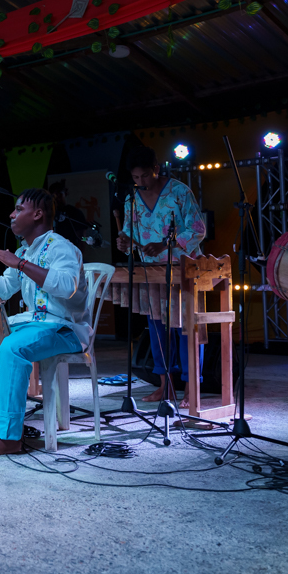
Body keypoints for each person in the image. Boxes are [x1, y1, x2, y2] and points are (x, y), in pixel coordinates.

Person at [0, 189, 90, 454]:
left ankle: (9, 438)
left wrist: (19, 263)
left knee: (12, 347)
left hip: (65, 328)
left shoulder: (61, 247)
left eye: (19, 209)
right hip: (35, 324)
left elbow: (67, 287)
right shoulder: (26, 251)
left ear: (38, 214)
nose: (11, 214)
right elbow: (2, 289)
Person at [115, 146, 206, 407]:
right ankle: (166, 387)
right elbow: (130, 235)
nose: (140, 182)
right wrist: (125, 243)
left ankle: (191, 388)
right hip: (152, 274)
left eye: (144, 176)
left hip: (183, 270)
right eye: (135, 178)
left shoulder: (179, 192)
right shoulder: (132, 199)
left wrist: (167, 245)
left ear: (156, 168)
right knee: (157, 330)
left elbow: (198, 229)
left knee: (187, 329)